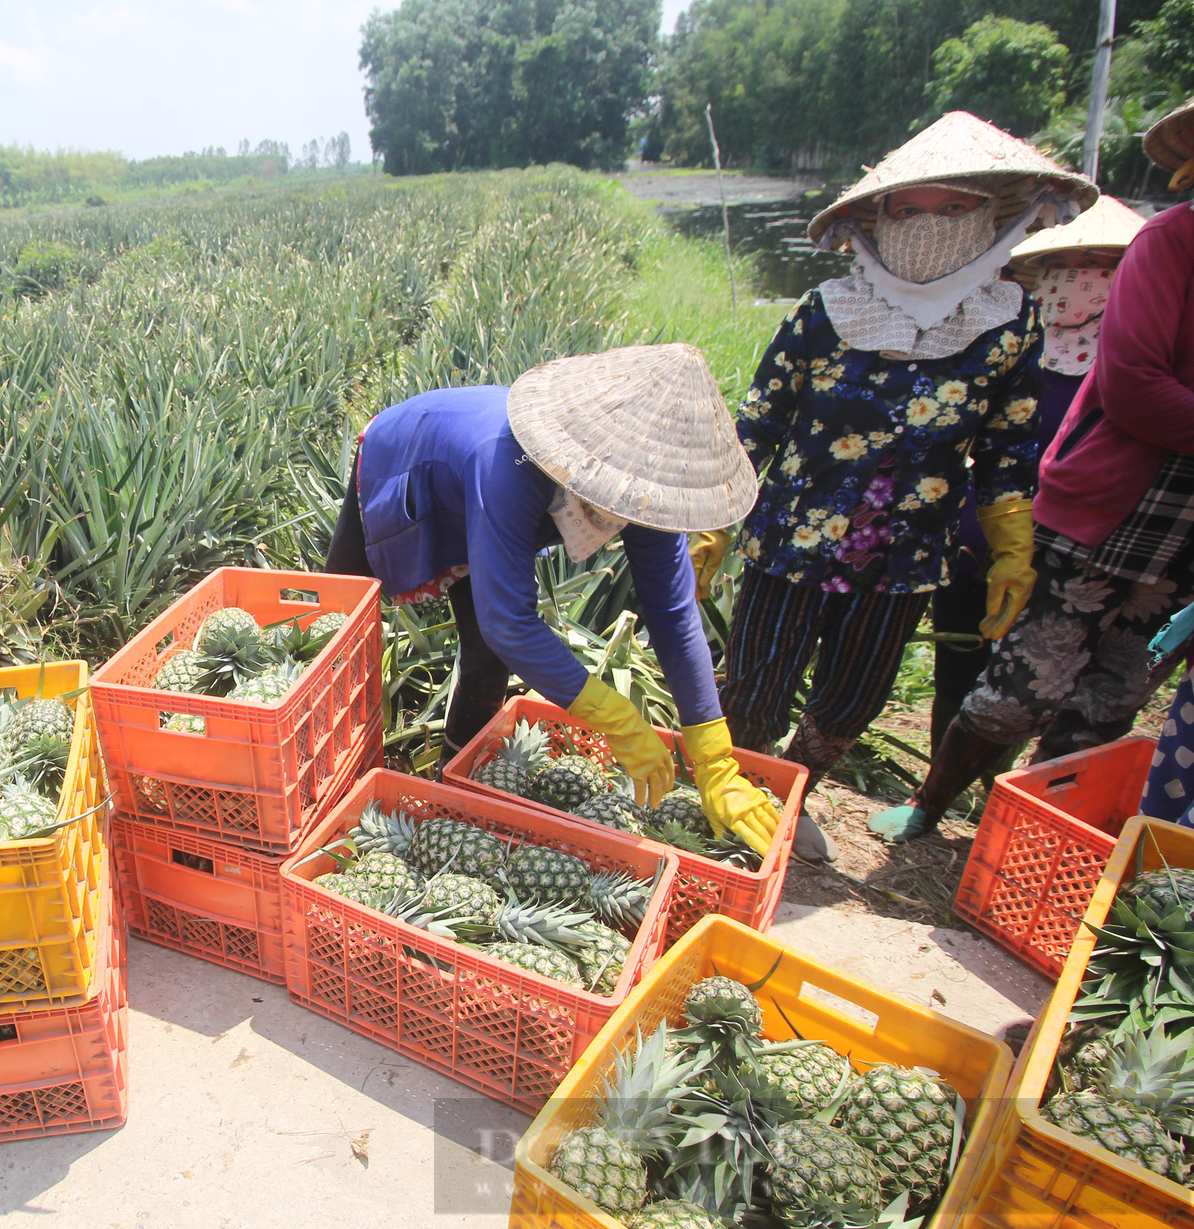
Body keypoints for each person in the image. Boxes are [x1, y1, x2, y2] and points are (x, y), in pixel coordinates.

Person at [680, 113, 1094, 860]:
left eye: (952, 209)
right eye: (908, 210)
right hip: (794, 536)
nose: (928, 225)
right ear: (875, 220)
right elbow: (757, 421)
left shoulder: (1008, 326)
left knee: (855, 696)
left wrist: (1010, 544)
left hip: (908, 550)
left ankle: (794, 784)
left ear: (989, 217)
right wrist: (715, 518)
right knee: (755, 682)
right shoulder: (827, 312)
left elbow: (1008, 446)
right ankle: (736, 790)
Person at [874, 96, 1194, 840]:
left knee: (1115, 692)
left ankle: (1033, 832)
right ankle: (935, 803)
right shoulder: (1170, 243)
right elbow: (1135, 387)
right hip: (1107, 509)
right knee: (1025, 676)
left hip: (1180, 533)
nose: (1083, 285)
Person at [325, 341, 780, 854]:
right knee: (342, 620)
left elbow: (673, 615)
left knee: (487, 658)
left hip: (491, 496)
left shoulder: (646, 484)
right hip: (414, 463)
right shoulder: (508, 462)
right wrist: (619, 720)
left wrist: (715, 755)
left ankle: (452, 794)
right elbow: (510, 622)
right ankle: (333, 776)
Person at [927, 197, 1148, 771]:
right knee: (958, 647)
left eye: (1099, 264)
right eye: (1066, 263)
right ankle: (939, 782)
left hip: (1069, 542)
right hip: (979, 525)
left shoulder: (1133, 363)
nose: (1077, 279)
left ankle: (996, 782)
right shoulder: (1015, 342)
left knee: (1032, 673)